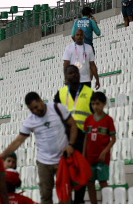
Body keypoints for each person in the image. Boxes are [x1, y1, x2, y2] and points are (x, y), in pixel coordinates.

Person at [1, 92, 79, 204]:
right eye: (31, 109)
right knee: (45, 196)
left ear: (41, 100)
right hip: (43, 162)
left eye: (36, 107)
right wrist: (3, 154)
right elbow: (18, 140)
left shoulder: (57, 108)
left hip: (62, 160)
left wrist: (71, 145)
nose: (35, 111)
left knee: (65, 195)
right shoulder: (30, 120)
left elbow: (73, 125)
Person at [53, 65, 94, 204]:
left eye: (75, 72)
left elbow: (94, 116)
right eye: (70, 73)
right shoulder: (60, 93)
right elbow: (54, 114)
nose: (73, 75)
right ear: (66, 76)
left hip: (83, 137)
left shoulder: (89, 92)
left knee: (80, 170)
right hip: (65, 137)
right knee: (67, 170)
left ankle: (79, 200)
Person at [82, 92, 116, 204]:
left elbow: (113, 139)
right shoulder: (88, 120)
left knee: (103, 183)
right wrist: (83, 155)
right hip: (90, 157)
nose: (95, 107)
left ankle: (105, 202)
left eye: (97, 103)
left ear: (104, 103)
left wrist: (104, 152)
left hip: (102, 158)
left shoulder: (108, 120)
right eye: (93, 104)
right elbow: (86, 138)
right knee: (90, 183)